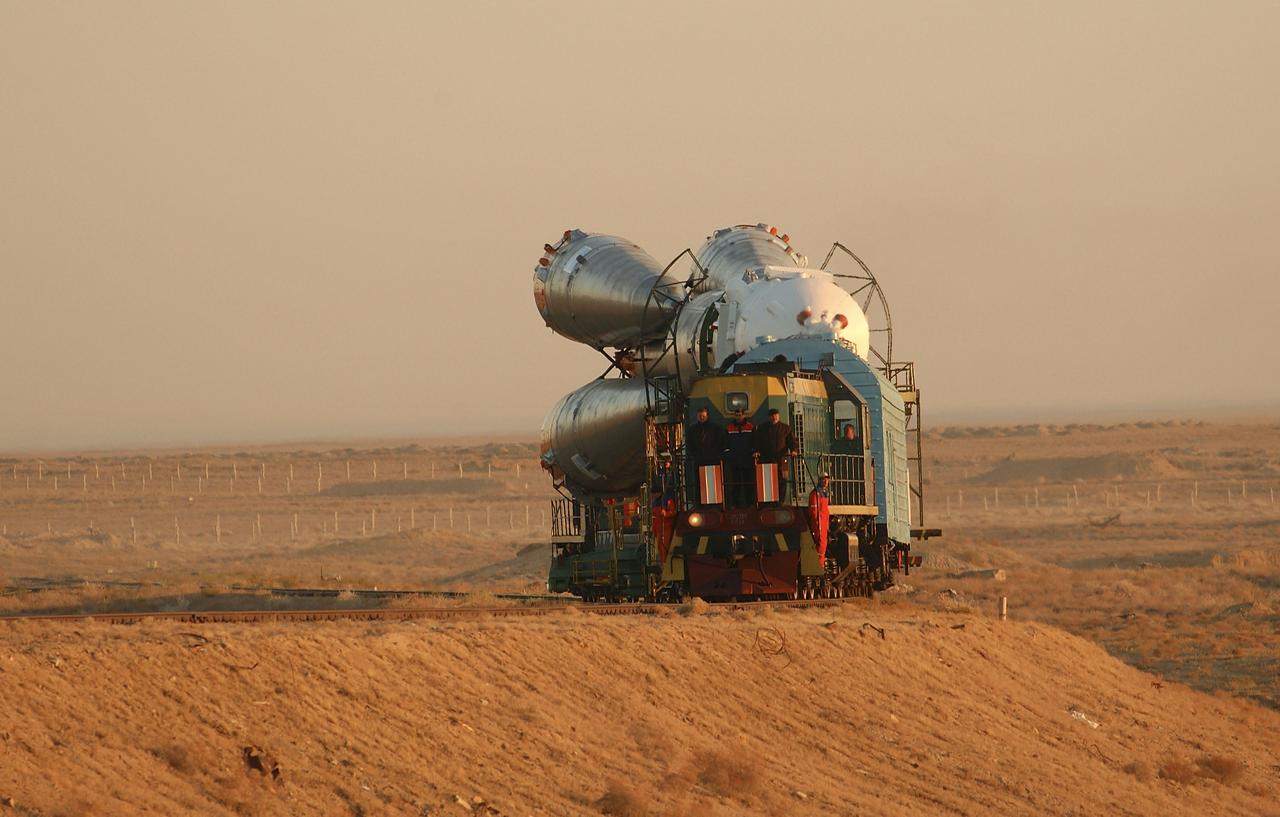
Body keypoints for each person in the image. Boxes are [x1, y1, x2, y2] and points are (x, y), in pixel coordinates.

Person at [754, 408, 797, 502]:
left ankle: (781, 500)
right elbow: (757, 441)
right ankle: (768, 501)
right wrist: (757, 451)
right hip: (767, 458)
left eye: (776, 415)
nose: (774, 417)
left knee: (783, 479)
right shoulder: (762, 428)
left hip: (782, 458)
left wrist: (793, 450)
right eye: (772, 415)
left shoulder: (786, 428)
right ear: (769, 417)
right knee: (768, 479)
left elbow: (791, 440)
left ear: (779, 416)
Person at [686, 406, 727, 504]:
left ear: (707, 416)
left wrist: (717, 454)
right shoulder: (692, 430)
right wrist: (694, 455)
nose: (701, 417)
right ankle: (699, 503)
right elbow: (689, 444)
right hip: (699, 460)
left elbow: (721, 442)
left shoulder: (716, 429)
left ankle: (716, 502)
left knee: (714, 482)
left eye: (703, 416)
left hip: (713, 460)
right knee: (699, 483)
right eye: (700, 416)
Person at [725, 408, 756, 506]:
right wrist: (728, 454)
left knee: (749, 484)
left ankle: (750, 504)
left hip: (747, 460)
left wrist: (754, 452)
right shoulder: (729, 428)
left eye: (740, 415)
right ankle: (735, 504)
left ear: (744, 415)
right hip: (735, 461)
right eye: (736, 415)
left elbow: (755, 441)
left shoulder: (750, 427)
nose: (738, 417)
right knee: (735, 484)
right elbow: (725, 443)